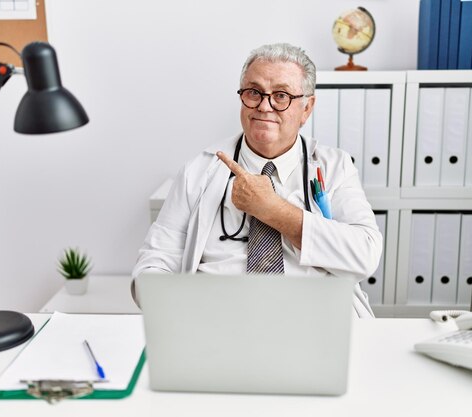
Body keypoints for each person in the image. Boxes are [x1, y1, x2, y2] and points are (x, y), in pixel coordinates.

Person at [132, 43, 382, 318]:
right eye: (254, 92)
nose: (264, 106)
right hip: (217, 320)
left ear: (307, 108)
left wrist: (273, 210)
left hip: (313, 320)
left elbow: (365, 255)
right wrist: (179, 310)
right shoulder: (199, 171)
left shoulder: (335, 167)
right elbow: (155, 262)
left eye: (281, 95)